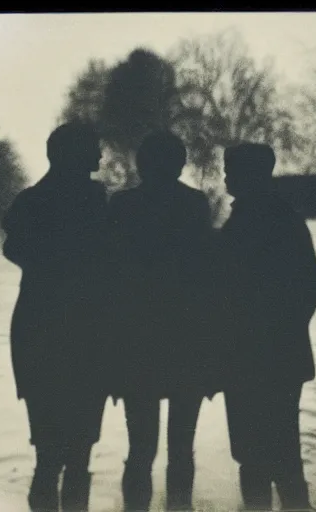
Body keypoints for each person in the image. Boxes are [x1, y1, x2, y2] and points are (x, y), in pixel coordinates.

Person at [1, 121, 111, 512]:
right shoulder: (96, 203)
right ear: (75, 155)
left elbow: (14, 251)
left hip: (36, 333)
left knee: (47, 457)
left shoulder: (28, 203)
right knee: (79, 457)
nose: (101, 155)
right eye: (94, 149)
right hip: (86, 336)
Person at [108, 130, 216, 511]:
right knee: (182, 448)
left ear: (141, 164)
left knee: (140, 448)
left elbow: (111, 283)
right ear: (180, 164)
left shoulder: (121, 207)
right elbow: (206, 280)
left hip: (137, 341)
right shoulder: (195, 205)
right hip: (186, 339)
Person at [220, 143, 316, 511]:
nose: (225, 176)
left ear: (246, 176)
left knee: (252, 457)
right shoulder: (289, 219)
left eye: (230, 170)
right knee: (285, 452)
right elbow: (311, 289)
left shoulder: (239, 226)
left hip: (245, 360)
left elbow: (223, 296)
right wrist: (287, 333)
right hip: (285, 357)